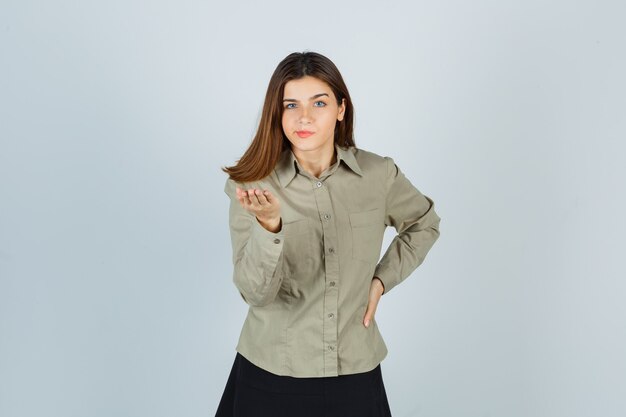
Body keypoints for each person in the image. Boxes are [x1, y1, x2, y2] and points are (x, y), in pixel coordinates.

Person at [215, 51, 441, 417]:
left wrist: (381, 280)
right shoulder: (253, 185)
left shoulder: (378, 175)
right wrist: (269, 226)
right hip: (271, 373)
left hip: (354, 371)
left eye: (318, 102)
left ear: (340, 108)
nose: (304, 117)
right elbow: (254, 292)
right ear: (278, 112)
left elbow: (423, 223)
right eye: (291, 104)